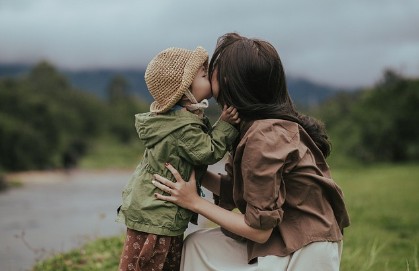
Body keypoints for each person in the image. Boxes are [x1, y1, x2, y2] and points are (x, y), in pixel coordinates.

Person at [152, 33, 350, 271]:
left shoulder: (264, 136)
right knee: (197, 245)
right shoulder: (257, 126)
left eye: (210, 71)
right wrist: (195, 174)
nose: (206, 77)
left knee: (202, 245)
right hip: (286, 236)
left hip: (305, 250)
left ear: (228, 80)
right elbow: (245, 192)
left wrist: (194, 202)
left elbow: (259, 230)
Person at [116, 46, 240, 271]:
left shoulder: (179, 119)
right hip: (157, 215)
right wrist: (226, 125)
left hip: (156, 210)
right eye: (203, 75)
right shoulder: (181, 126)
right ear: (185, 92)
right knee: (154, 263)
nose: (209, 76)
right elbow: (207, 151)